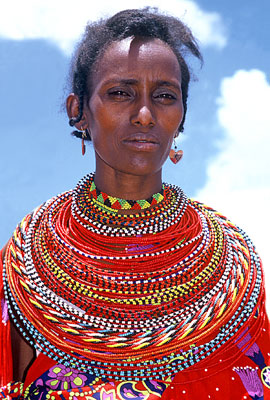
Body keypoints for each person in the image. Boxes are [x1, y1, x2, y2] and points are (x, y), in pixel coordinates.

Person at [1, 7, 270, 400]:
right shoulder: (27, 263)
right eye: (120, 93)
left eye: (164, 96)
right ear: (80, 112)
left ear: (181, 118)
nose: (145, 115)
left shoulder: (235, 268)